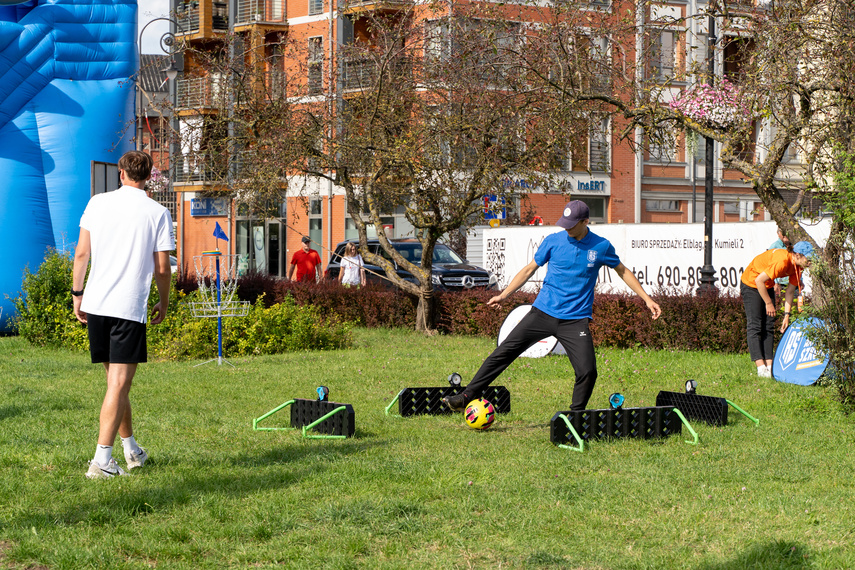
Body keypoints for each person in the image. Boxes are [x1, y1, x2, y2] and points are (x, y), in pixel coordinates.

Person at [442, 200, 662, 413]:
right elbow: (529, 269)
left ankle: (574, 416)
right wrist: (504, 295)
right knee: (502, 353)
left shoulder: (601, 246)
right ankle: (466, 396)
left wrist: (647, 299)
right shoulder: (553, 241)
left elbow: (622, 270)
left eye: (571, 224)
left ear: (585, 222)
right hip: (543, 313)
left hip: (575, 320)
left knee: (588, 371)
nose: (566, 228)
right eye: (564, 223)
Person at [72, 150, 174, 479]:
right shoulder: (158, 212)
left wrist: (77, 295)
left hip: (97, 303)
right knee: (118, 383)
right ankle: (102, 461)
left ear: (121, 173)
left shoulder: (97, 202)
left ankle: (130, 449)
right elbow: (162, 268)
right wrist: (164, 300)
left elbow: (81, 254)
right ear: (149, 177)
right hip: (128, 307)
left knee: (116, 384)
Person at [740, 240, 813, 378]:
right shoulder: (782, 261)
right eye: (808, 259)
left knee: (769, 325)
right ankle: (761, 368)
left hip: (766, 285)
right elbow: (758, 281)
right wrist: (768, 303)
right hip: (751, 283)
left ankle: (770, 366)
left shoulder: (798, 267)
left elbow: (790, 292)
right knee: (755, 325)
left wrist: (786, 315)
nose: (810, 263)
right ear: (797, 255)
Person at [768, 227, 792, 298]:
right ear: (778, 234)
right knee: (781, 304)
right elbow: (771, 266)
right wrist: (775, 282)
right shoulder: (774, 246)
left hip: (793, 282)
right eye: (783, 233)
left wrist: (800, 279)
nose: (786, 234)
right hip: (780, 283)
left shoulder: (794, 245)